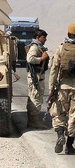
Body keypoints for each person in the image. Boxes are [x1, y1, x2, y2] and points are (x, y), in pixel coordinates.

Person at [49, 23, 75, 155]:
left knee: (59, 113)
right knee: (73, 116)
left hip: (63, 87)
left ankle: (60, 135)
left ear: (68, 34)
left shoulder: (61, 49)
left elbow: (54, 70)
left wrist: (51, 89)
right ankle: (70, 146)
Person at [26, 29, 49, 129]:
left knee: (34, 98)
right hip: (35, 76)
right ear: (37, 37)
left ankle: (33, 121)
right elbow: (30, 59)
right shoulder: (35, 47)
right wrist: (41, 59)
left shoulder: (39, 47)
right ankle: (33, 122)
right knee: (35, 98)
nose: (45, 39)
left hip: (37, 76)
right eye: (43, 37)